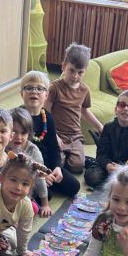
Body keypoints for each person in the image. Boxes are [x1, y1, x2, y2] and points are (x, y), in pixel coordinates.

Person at [19, 70, 81, 199]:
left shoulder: (47, 117)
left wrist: (57, 167)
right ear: (21, 93)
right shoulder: (18, 118)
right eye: (29, 88)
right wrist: (38, 174)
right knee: (46, 197)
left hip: (46, 165)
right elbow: (16, 153)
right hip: (25, 168)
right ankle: (41, 186)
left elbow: (54, 148)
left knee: (74, 186)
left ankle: (46, 183)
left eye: (39, 89)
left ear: (46, 95)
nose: (34, 92)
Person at [47, 42, 104, 174]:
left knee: (77, 166)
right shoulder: (55, 88)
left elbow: (85, 111)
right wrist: (54, 135)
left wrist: (100, 127)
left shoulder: (84, 90)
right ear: (64, 66)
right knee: (57, 163)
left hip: (75, 136)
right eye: (71, 70)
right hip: (57, 133)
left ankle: (78, 157)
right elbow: (46, 112)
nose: (75, 76)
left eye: (80, 72)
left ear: (85, 71)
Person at [83, 89, 128, 189]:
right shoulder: (108, 127)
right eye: (122, 105)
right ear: (116, 109)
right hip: (107, 165)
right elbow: (101, 154)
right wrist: (108, 165)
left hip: (127, 169)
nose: (126, 108)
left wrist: (123, 168)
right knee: (92, 177)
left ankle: (112, 181)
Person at [9, 106, 51, 217]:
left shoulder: (33, 151)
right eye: (14, 132)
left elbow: (40, 178)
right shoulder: (4, 147)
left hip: (27, 188)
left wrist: (45, 204)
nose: (18, 137)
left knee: (32, 208)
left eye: (23, 133)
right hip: (7, 187)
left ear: (29, 133)